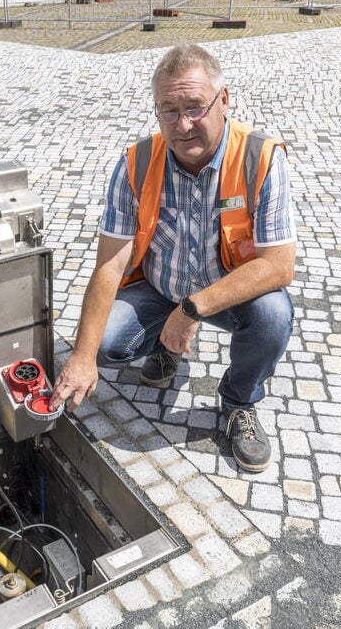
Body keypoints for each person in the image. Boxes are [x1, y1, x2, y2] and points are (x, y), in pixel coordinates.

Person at [49, 43, 296, 473]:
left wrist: (192, 309)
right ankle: (166, 345)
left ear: (224, 100)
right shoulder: (136, 163)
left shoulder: (260, 158)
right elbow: (110, 262)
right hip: (159, 288)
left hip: (224, 295)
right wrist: (83, 357)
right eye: (169, 111)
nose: (183, 126)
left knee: (273, 314)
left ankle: (239, 402)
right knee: (105, 345)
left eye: (195, 108)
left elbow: (278, 265)